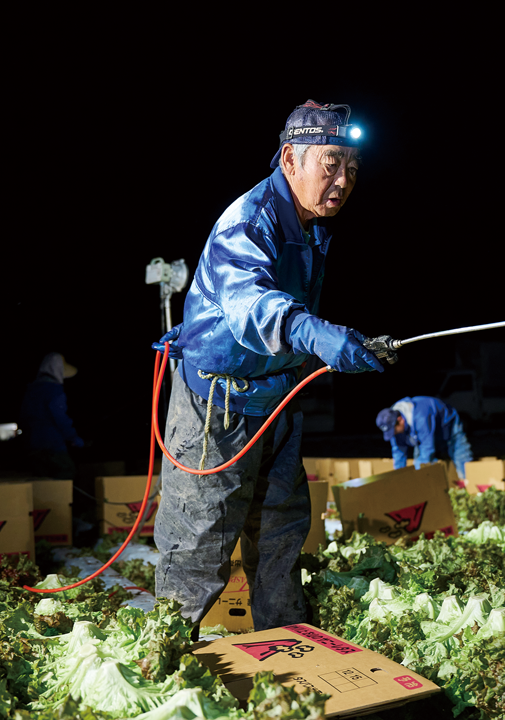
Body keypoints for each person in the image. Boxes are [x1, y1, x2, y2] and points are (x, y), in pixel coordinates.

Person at [152, 100, 384, 633]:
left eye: (352, 168)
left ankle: (284, 651)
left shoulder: (311, 225)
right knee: (198, 543)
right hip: (218, 407)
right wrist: (315, 334)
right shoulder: (248, 221)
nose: (344, 180)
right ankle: (160, 668)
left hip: (275, 401)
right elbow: (252, 305)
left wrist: (332, 344)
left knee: (280, 531)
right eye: (331, 163)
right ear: (289, 160)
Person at [18, 352, 85, 480]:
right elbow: (60, 418)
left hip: (33, 447)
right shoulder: (54, 391)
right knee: (67, 473)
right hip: (53, 446)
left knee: (43, 483)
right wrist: (73, 437)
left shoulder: (31, 390)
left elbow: (23, 418)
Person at [376, 397, 473, 481]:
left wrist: (420, 479)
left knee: (459, 456)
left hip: (448, 424)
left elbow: (427, 448)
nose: (394, 434)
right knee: (419, 462)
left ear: (400, 420)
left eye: (394, 430)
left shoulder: (420, 416)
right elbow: (398, 453)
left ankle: (469, 488)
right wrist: (399, 479)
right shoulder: (393, 422)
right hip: (426, 433)